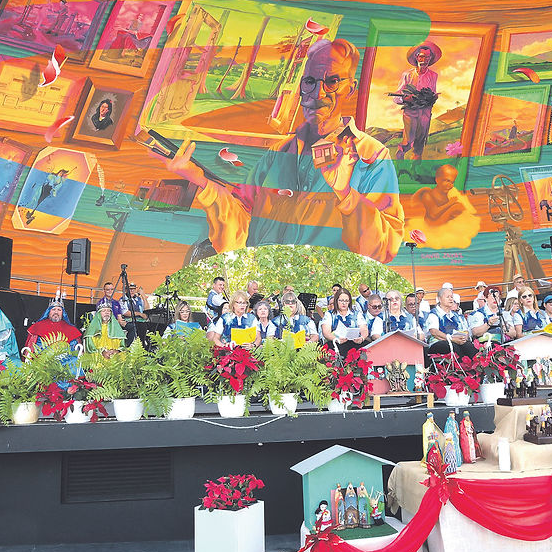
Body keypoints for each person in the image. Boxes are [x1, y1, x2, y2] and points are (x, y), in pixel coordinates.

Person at [160, 38, 404, 263]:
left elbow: (384, 248)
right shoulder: (278, 152)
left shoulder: (372, 155)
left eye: (332, 82)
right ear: (301, 87)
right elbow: (242, 217)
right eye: (310, 82)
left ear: (350, 89)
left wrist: (346, 194)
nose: (318, 94)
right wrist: (199, 180)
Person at [392, 41, 440, 160]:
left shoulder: (433, 76)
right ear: (417, 57)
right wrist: (404, 99)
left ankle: (414, 171)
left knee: (420, 143)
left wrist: (433, 98)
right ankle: (399, 159)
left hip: (425, 113)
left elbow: (432, 93)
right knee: (408, 141)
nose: (425, 59)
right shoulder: (407, 75)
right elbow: (396, 96)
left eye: (428, 57)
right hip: (410, 112)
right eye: (423, 56)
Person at [24, 293, 83, 372]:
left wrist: (64, 352)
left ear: (63, 313)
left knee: (75, 361)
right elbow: (35, 346)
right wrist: (49, 352)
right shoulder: (38, 326)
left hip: (65, 360)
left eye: (59, 310)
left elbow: (74, 348)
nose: (56, 312)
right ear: (49, 312)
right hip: (45, 358)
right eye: (53, 309)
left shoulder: (70, 329)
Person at [426, 288, 476, 360]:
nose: (451, 299)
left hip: (456, 341)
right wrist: (451, 339)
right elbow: (434, 332)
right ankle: (459, 370)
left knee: (470, 347)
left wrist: (464, 337)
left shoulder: (456, 315)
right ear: (439, 299)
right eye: (447, 297)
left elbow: (465, 330)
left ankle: (473, 370)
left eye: (451, 297)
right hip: (438, 343)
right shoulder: (434, 314)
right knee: (454, 348)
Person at [321, 288, 365, 355]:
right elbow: (326, 332)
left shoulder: (356, 314)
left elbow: (364, 329)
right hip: (336, 343)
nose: (344, 303)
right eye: (341, 300)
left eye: (346, 301)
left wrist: (362, 338)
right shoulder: (329, 314)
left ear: (349, 301)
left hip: (354, 343)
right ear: (336, 301)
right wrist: (336, 339)